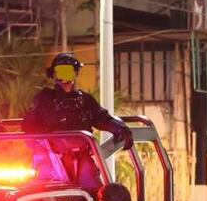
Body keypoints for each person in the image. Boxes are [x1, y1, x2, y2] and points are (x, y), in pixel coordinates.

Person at [22, 53, 134, 192]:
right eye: (61, 72)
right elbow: (29, 126)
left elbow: (102, 118)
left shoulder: (85, 100)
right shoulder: (44, 99)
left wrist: (121, 129)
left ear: (75, 73)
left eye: (69, 71)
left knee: (93, 194)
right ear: (54, 74)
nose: (65, 77)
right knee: (49, 196)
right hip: (52, 159)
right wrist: (43, 150)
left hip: (82, 158)